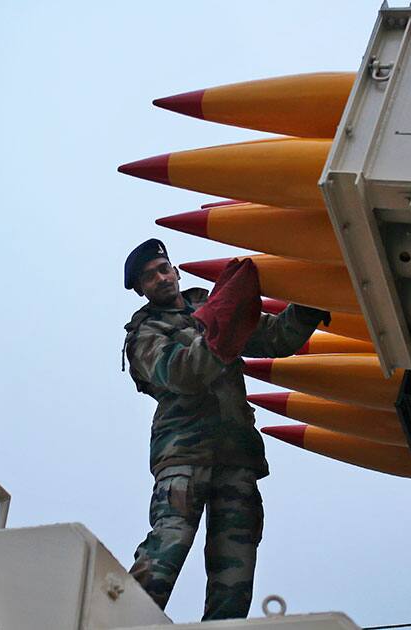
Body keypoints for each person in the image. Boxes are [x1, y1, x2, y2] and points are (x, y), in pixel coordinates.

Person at [121, 238, 327, 620]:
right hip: (184, 454)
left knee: (235, 567)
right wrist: (221, 331)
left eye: (164, 268)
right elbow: (182, 372)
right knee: (169, 543)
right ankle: (119, 622)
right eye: (150, 277)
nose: (161, 278)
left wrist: (311, 301)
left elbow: (277, 337)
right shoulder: (144, 335)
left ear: (175, 270)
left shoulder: (210, 308)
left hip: (237, 456)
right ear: (140, 290)